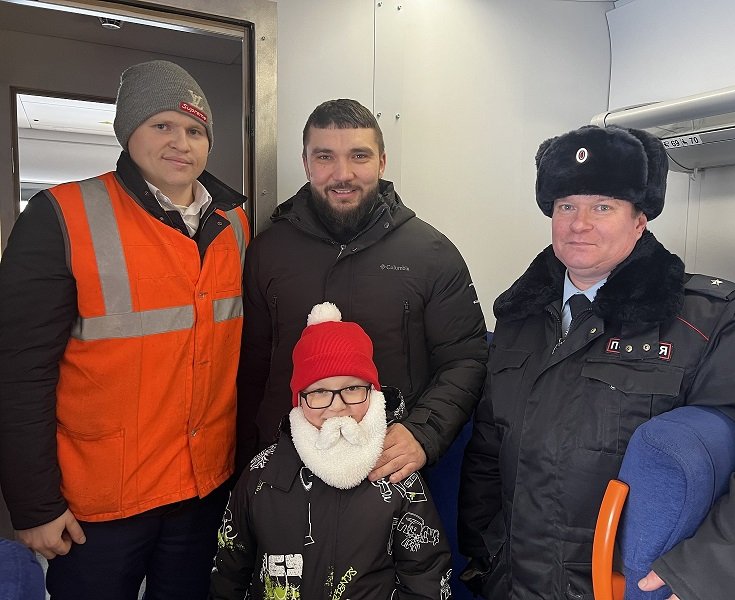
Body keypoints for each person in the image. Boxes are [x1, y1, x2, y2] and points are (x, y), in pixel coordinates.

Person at [458, 125, 735, 600]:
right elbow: (489, 451)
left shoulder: (708, 320)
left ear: (640, 219)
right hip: (512, 583)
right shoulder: (519, 318)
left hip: (618, 588)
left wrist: (709, 576)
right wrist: (484, 559)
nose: (579, 224)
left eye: (603, 206)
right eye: (566, 206)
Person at [0, 60, 250, 599]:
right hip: (99, 503)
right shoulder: (61, 215)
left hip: (203, 490)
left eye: (195, 130)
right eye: (162, 125)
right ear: (128, 132)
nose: (181, 142)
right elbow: (19, 373)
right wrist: (34, 505)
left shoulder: (235, 223)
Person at [236, 98, 487, 484]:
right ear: (306, 163)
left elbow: (466, 359)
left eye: (359, 156)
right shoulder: (266, 252)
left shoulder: (432, 254)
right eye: (325, 157)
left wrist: (423, 432)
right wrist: (243, 468)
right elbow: (249, 371)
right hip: (286, 473)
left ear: (382, 162)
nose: (343, 174)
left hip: (390, 473)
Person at [210, 302, 452, 598]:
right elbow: (230, 571)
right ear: (299, 399)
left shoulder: (397, 470)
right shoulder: (262, 474)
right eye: (320, 392)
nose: (337, 406)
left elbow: (426, 577)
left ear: (372, 392)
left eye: (352, 388)